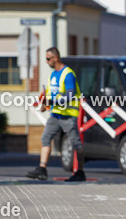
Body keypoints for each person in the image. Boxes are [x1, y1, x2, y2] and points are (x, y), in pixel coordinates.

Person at [26, 48, 85, 182]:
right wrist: (44, 105)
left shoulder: (68, 74)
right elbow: (50, 94)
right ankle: (42, 169)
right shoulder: (53, 75)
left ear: (55, 58)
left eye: (48, 59)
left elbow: (70, 95)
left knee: (76, 144)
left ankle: (80, 172)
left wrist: (52, 102)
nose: (46, 62)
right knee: (45, 138)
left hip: (68, 115)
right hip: (55, 115)